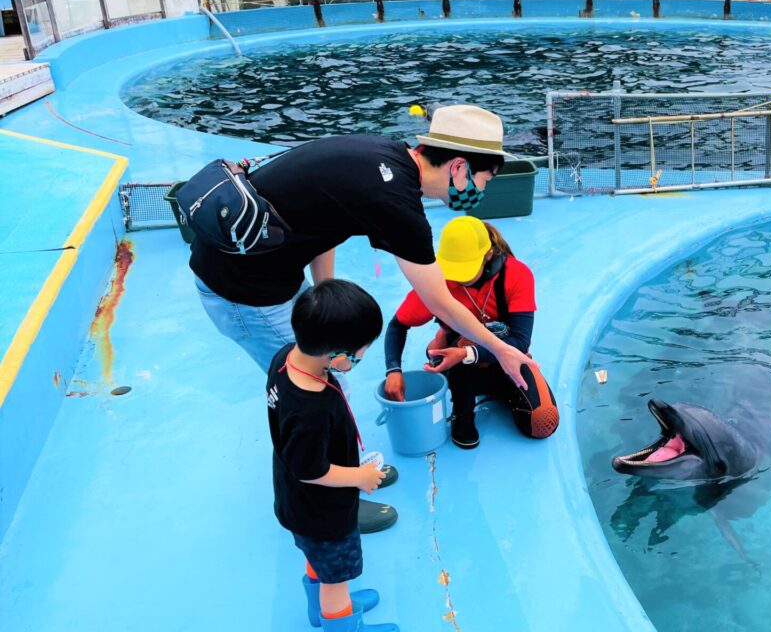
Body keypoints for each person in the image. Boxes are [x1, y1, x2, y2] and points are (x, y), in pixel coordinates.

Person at [191, 105, 540, 529]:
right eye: (482, 181)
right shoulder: (396, 202)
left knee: (332, 382)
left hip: (269, 278)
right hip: (245, 292)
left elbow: (322, 222)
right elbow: (440, 303)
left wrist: (322, 294)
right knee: (313, 396)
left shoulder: (386, 156)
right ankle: (333, 502)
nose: (479, 195)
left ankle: (349, 470)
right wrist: (501, 349)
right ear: (460, 166)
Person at [266, 279, 399, 632]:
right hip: (321, 508)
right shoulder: (312, 409)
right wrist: (358, 476)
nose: (360, 358)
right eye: (359, 352)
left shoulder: (283, 359)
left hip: (295, 502)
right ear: (334, 354)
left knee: (315, 554)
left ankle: (319, 607)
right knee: (336, 575)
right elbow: (311, 468)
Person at [382, 217, 558, 449]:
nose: (456, 277)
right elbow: (398, 325)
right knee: (458, 343)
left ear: (488, 255)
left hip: (505, 355)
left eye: (464, 269)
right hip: (459, 359)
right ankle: (462, 412)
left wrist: (469, 353)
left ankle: (499, 385)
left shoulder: (516, 274)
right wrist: (393, 370)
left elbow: (521, 341)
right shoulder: (438, 282)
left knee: (542, 422)